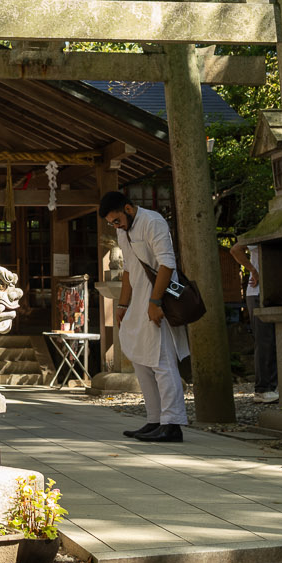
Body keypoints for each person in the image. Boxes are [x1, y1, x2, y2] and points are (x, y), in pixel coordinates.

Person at [99, 190, 188, 443]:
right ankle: (155, 418)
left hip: (158, 299)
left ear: (128, 208)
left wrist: (155, 302)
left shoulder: (153, 222)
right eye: (111, 224)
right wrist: (123, 305)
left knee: (161, 361)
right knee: (140, 358)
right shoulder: (122, 231)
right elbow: (129, 268)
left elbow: (166, 264)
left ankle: (173, 423)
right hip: (138, 301)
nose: (115, 226)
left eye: (116, 220)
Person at [231, 239, 279, 404]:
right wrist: (252, 270)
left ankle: (274, 385)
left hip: (275, 288)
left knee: (274, 340)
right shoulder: (257, 233)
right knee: (265, 340)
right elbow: (235, 249)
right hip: (257, 291)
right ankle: (263, 388)